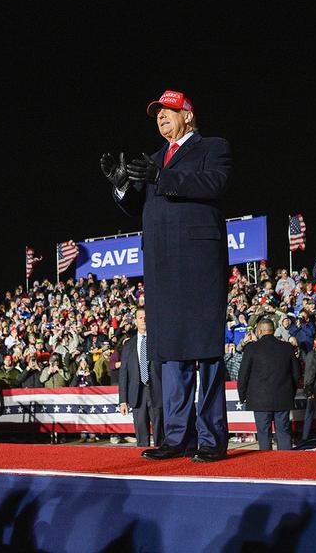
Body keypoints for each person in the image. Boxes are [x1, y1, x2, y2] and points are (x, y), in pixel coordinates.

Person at [103, 89, 231, 463]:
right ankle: (176, 437)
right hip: (160, 268)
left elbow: (215, 185)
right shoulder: (154, 159)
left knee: (204, 353)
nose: (161, 117)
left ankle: (210, 439)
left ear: (187, 115)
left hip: (199, 264)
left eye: (168, 110)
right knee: (170, 354)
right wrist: (121, 183)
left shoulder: (213, 147)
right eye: (157, 113)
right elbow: (133, 206)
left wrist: (164, 174)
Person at [237, 319, 300, 450]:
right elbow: (296, 373)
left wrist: (242, 396)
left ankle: (265, 466)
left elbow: (243, 375)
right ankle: (287, 463)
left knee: (263, 435)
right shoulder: (286, 347)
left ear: (259, 331)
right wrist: (291, 393)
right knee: (283, 432)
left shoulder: (251, 348)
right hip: (282, 396)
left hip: (259, 399)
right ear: (273, 330)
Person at [118, 307, 164, 448]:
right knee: (141, 434)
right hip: (137, 394)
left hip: (157, 390)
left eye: (146, 317)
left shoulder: (159, 342)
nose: (144, 320)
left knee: (160, 432)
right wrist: (123, 401)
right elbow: (124, 374)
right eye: (140, 317)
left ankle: (161, 457)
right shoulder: (128, 346)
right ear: (135, 322)